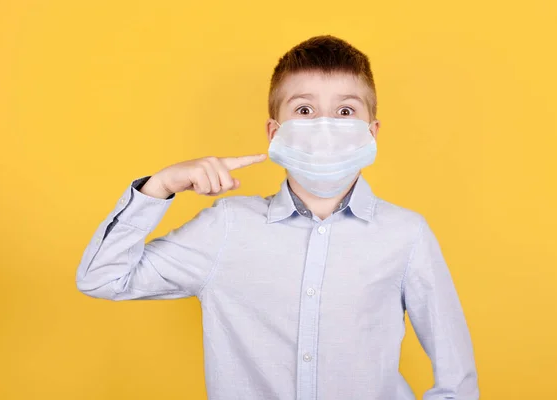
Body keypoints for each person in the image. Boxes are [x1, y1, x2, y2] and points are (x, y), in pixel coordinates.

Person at [76, 35, 479, 400]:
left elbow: (456, 373)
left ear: (371, 133)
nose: (324, 126)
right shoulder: (226, 227)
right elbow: (102, 277)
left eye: (344, 111)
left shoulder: (406, 234)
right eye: (304, 109)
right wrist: (160, 185)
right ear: (275, 133)